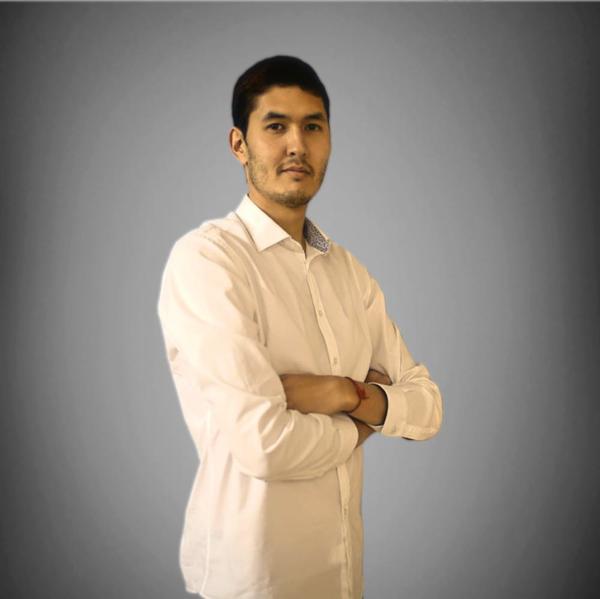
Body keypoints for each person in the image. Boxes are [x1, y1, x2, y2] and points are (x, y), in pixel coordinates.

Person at [157, 55, 443, 599]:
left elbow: (427, 408)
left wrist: (343, 394)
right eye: (276, 126)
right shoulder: (209, 261)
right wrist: (364, 419)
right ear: (239, 144)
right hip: (254, 581)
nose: (297, 145)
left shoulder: (348, 272)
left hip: (343, 578)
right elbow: (263, 445)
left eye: (312, 126)